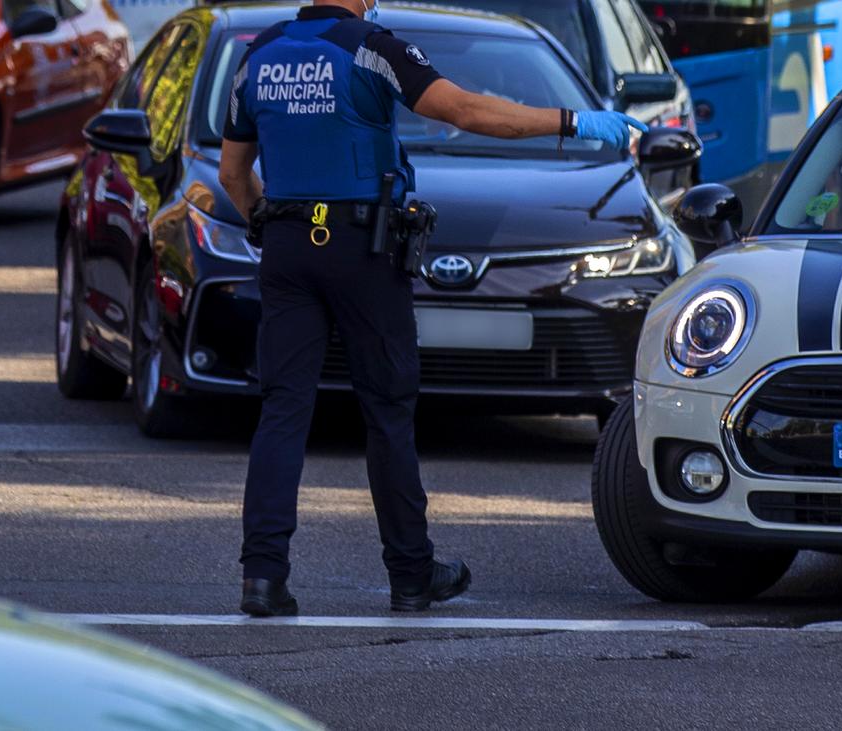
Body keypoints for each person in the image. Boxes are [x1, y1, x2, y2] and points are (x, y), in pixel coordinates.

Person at [218, 0, 646, 617]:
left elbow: (235, 174)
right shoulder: (373, 47)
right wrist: (574, 121)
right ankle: (412, 575)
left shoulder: (258, 55)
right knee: (387, 409)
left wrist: (272, 227)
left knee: (283, 408)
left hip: (285, 245)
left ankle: (262, 577)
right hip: (362, 248)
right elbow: (468, 111)